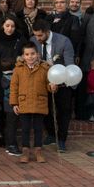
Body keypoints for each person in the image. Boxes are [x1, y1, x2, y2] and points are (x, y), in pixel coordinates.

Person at [31, 19, 75, 152]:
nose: (37, 38)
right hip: (43, 82)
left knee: (64, 111)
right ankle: (51, 134)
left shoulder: (64, 41)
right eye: (35, 35)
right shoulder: (33, 41)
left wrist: (57, 80)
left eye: (40, 35)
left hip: (63, 82)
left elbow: (69, 65)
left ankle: (61, 139)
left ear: (47, 32)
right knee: (45, 110)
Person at [10, 42, 57, 164]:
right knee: (25, 128)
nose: (30, 57)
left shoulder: (44, 68)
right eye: (27, 54)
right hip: (24, 102)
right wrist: (14, 103)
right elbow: (14, 86)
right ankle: (25, 151)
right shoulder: (18, 69)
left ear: (37, 54)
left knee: (38, 128)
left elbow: (49, 84)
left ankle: (38, 151)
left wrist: (52, 86)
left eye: (32, 54)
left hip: (39, 102)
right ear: (23, 56)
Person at [0, 16, 27, 150]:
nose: (10, 29)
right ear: (2, 26)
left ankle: (11, 136)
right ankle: (0, 133)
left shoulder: (20, 39)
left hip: (16, 78)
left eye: (12, 26)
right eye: (7, 26)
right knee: (0, 106)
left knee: (12, 106)